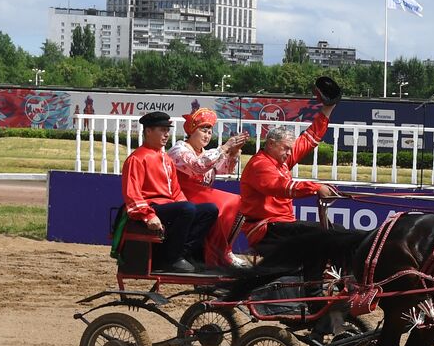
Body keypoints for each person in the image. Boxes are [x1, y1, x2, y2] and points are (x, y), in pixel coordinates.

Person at [238, 78, 341, 254]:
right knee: (323, 233)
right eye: (285, 148)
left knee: (334, 231)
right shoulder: (260, 164)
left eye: (290, 149)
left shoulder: (281, 158)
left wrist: (329, 107)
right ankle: (312, 279)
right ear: (270, 144)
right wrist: (316, 187)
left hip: (282, 224)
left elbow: (310, 137)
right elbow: (281, 188)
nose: (289, 153)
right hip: (265, 228)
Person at [121, 111, 217, 273]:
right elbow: (132, 193)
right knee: (187, 209)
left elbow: (176, 191)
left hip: (169, 207)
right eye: (162, 130)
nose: (166, 135)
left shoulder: (166, 159)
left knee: (209, 210)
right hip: (152, 207)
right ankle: (172, 258)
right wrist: (148, 215)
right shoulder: (137, 158)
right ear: (148, 131)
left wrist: (188, 208)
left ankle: (184, 254)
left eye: (167, 130)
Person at [169, 108, 250, 267]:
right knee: (232, 201)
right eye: (203, 131)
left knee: (240, 203)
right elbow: (198, 166)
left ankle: (224, 249)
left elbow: (223, 169)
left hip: (199, 195)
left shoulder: (204, 152)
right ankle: (222, 252)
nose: (207, 135)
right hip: (182, 195)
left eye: (209, 132)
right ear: (192, 131)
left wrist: (233, 153)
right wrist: (225, 148)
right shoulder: (179, 149)